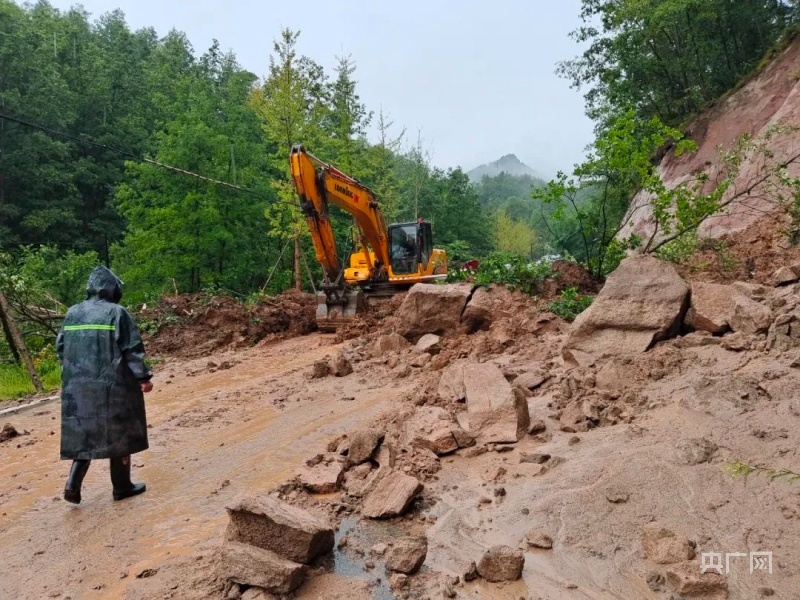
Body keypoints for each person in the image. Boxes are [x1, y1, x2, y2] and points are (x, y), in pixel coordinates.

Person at [56, 265, 153, 504]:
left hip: (78, 386)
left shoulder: (72, 313)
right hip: (114, 385)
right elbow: (131, 348)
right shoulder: (117, 313)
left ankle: (72, 485)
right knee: (120, 433)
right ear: (112, 288)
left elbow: (61, 347)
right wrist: (143, 378)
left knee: (84, 434)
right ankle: (122, 486)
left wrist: (74, 372)